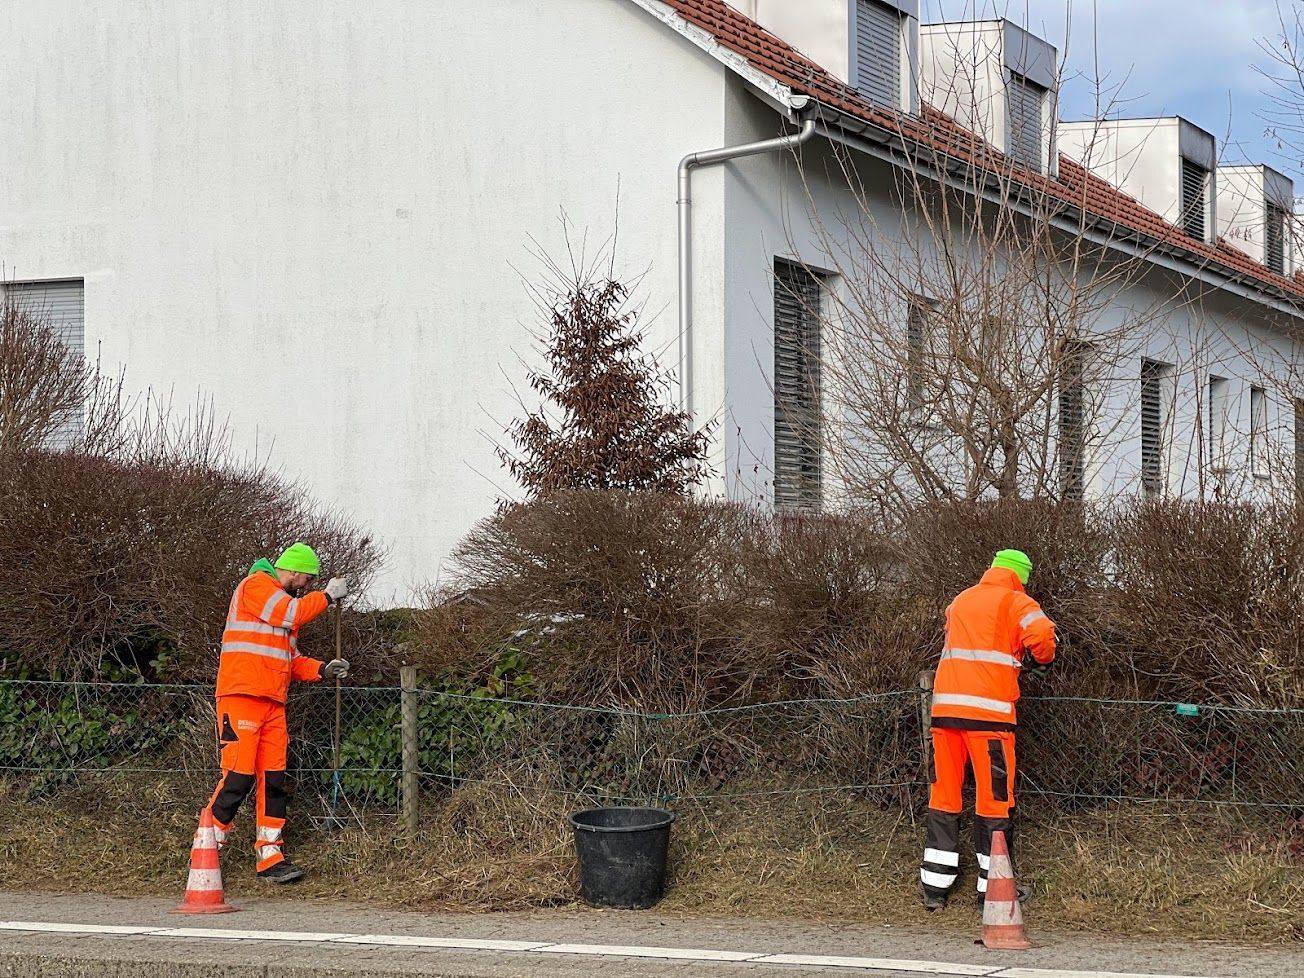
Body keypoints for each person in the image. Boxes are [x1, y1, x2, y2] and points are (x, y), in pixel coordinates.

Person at [205, 542, 350, 883]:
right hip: (240, 698)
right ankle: (208, 847)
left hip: (272, 703)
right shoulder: (256, 586)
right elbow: (291, 613)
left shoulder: (282, 605)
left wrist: (323, 669)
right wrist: (327, 597)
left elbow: (291, 660)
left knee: (274, 780)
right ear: (296, 572)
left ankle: (270, 855)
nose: (307, 588)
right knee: (237, 777)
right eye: (307, 581)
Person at [919, 549, 1055, 911]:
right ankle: (991, 889)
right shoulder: (1017, 601)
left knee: (944, 794)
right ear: (1020, 576)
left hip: (945, 713)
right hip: (990, 717)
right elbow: (1042, 634)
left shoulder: (962, 599)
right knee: (994, 800)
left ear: (991, 569)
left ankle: (935, 888)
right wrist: (1042, 661)